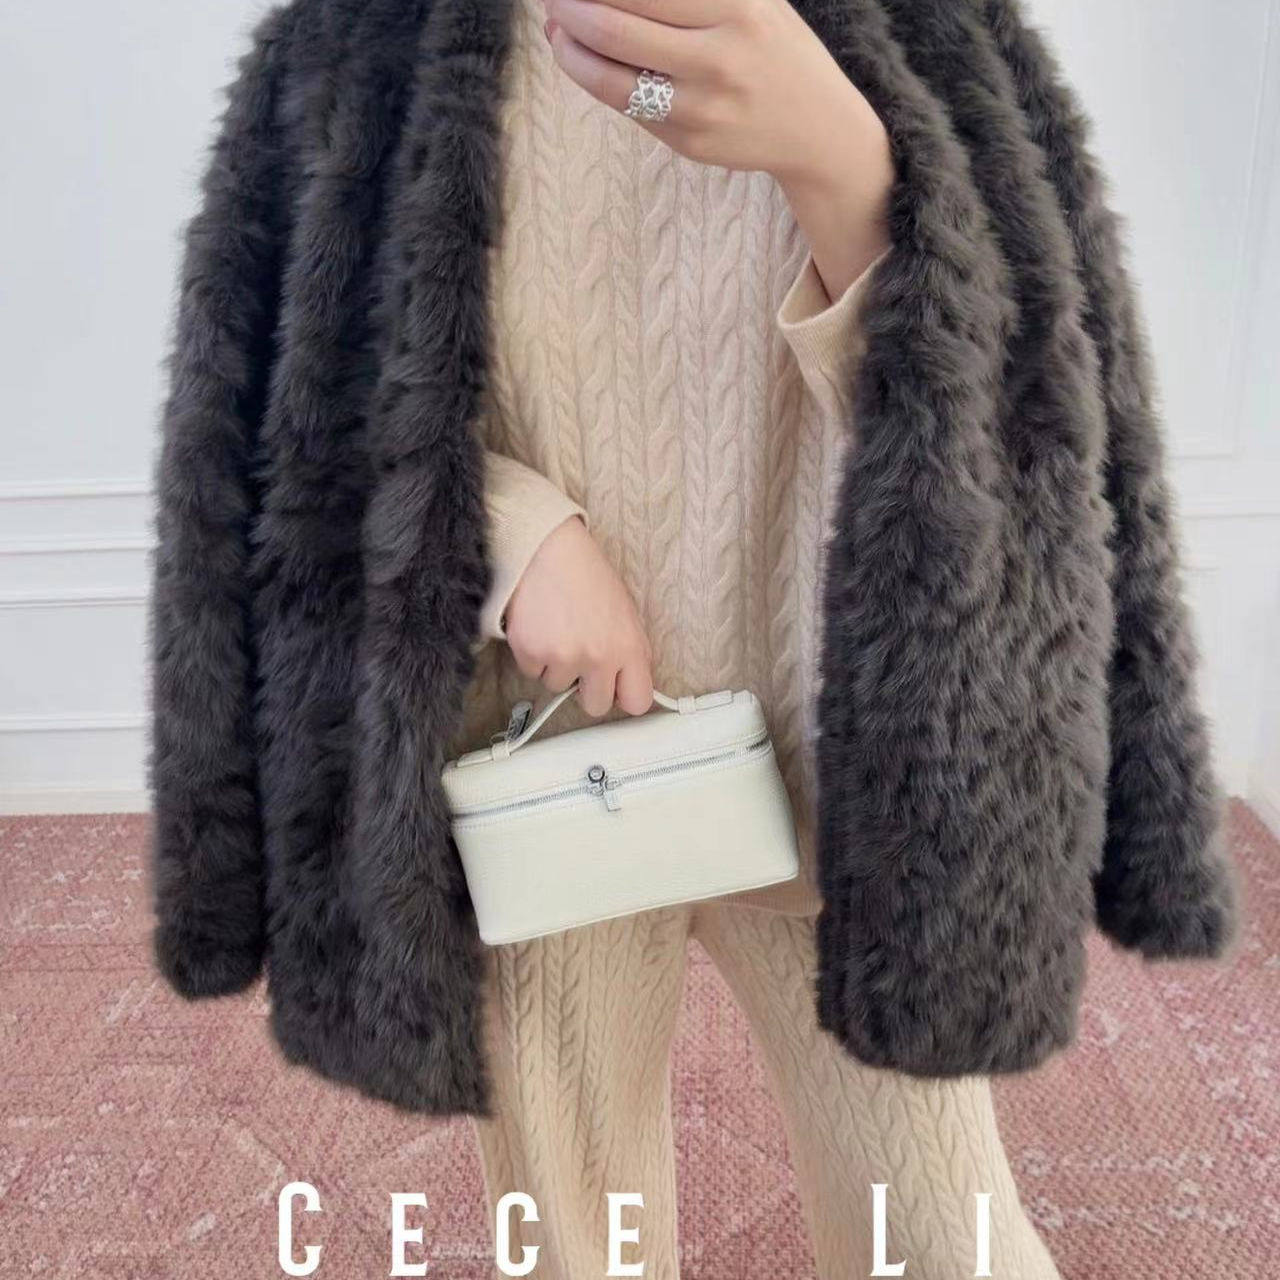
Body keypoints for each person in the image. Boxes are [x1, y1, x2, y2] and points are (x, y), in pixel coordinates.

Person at [447, 0, 1060, 1273]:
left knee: (944, 1234)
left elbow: (1011, 428)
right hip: (537, 749)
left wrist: (838, 160)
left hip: (837, 743)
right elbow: (311, 394)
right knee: (572, 1238)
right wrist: (513, 532)